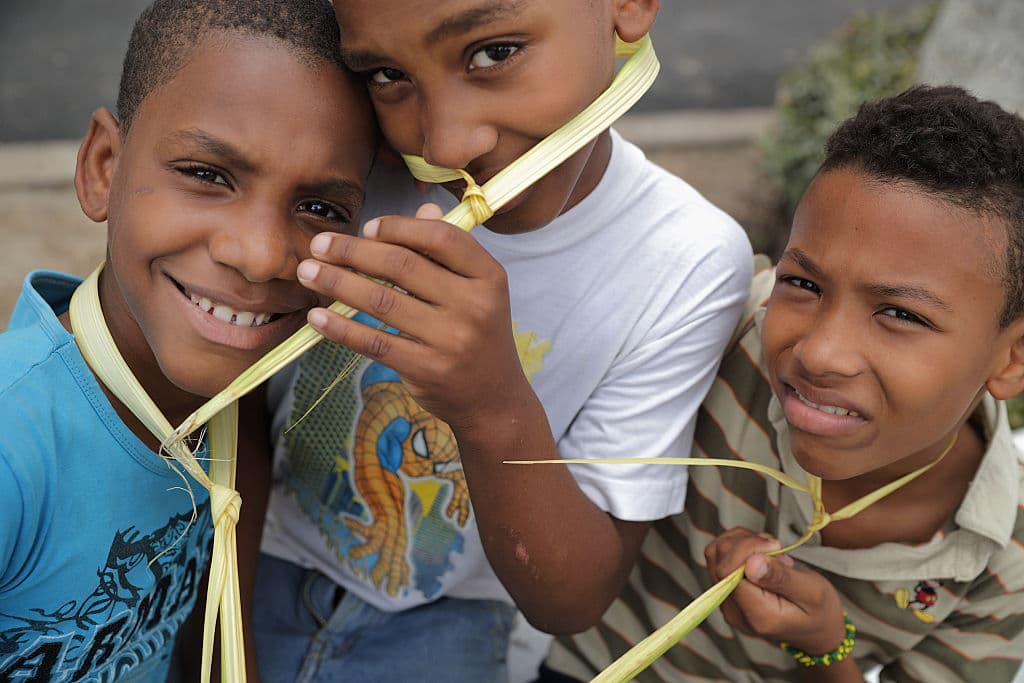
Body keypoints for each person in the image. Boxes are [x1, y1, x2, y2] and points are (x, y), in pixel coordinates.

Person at [253, 0, 754, 681]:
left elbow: (573, 594)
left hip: (450, 617)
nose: (446, 145)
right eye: (387, 74)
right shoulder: (354, 153)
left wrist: (491, 405)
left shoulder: (685, 258)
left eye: (494, 53)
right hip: (252, 548)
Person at [545, 85, 1024, 682]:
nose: (819, 352)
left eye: (901, 314)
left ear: (1012, 358)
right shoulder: (714, 334)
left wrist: (824, 650)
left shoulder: (1004, 567)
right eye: (804, 284)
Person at [0, 1, 377, 680]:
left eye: (320, 208)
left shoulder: (230, 411)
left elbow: (225, 644)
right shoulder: (15, 448)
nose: (260, 255)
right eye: (208, 174)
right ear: (103, 167)